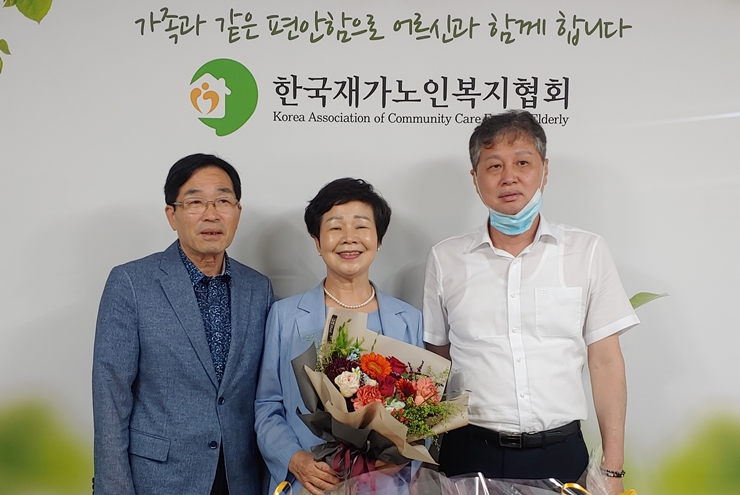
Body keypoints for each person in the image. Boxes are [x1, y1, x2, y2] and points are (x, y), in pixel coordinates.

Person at [423, 110, 639, 494]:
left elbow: (605, 361)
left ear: (544, 170)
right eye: (494, 166)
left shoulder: (587, 251)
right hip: (469, 453)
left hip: (560, 454)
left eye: (522, 162)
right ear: (475, 179)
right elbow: (435, 360)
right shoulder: (446, 258)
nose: (509, 177)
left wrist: (613, 469)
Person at [92, 154, 274, 495]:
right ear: (171, 215)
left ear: (237, 212)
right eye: (195, 202)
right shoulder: (131, 283)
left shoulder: (258, 288)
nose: (211, 214)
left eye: (223, 201)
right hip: (160, 478)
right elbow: (110, 396)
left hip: (240, 478)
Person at [254, 178, 424, 495]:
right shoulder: (285, 316)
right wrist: (295, 459)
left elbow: (421, 411)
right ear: (317, 241)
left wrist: (401, 459)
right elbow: (267, 405)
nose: (349, 238)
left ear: (378, 239)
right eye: (335, 227)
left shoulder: (408, 319)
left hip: (385, 486)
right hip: (310, 484)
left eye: (361, 226)